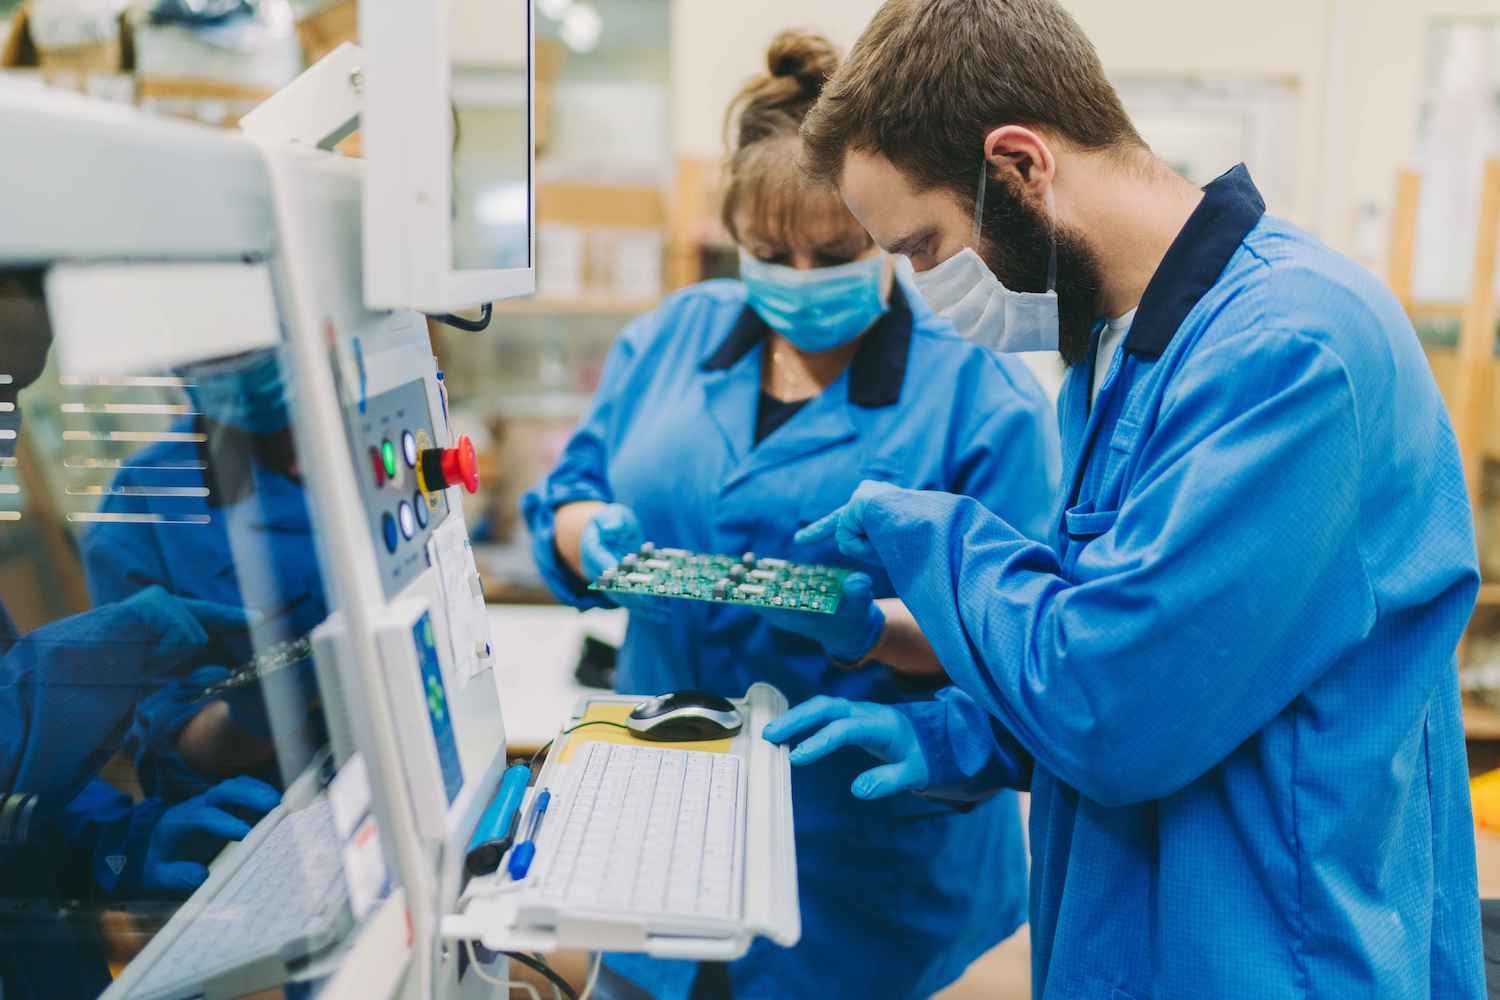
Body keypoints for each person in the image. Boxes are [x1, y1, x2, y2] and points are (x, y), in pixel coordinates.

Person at [763, 2, 1485, 997]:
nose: (926, 287)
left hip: (1276, 958)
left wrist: (937, 539)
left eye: (925, 247)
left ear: (1020, 166)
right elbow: (1138, 637)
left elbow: (1115, 704)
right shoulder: (1121, 352)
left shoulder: (1290, 351)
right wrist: (957, 735)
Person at [522, 31, 1060, 1000]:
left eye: (836, 251)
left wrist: (874, 632)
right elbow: (564, 494)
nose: (800, 278)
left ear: (885, 236)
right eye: (772, 254)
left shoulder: (982, 393)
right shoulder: (672, 338)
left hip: (864, 862)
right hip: (660, 814)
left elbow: (1025, 636)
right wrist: (579, 531)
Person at [0, 271, 281, 999]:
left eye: (14, 399)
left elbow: (20, 808)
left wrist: (116, 849)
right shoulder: (150, 496)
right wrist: (85, 673)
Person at [81, 345, 329, 801]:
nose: (241, 361)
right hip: (290, 802)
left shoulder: (370, 421)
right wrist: (271, 706)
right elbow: (170, 748)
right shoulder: (143, 504)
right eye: (219, 348)